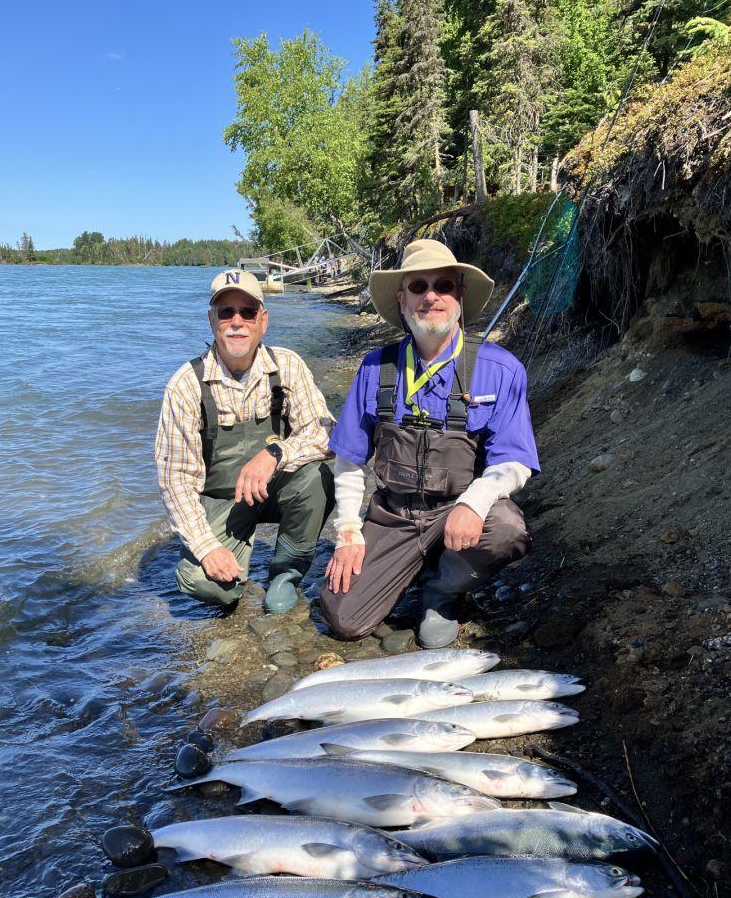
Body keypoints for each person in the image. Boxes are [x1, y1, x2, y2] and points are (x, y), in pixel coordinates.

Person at [321, 238, 538, 647]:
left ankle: (442, 589)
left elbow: (514, 462)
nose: (431, 296)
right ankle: (411, 566)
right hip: (394, 517)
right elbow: (349, 460)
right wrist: (348, 530)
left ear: (460, 296)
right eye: (418, 287)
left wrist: (473, 504)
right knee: (342, 617)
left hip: (459, 511)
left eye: (444, 285)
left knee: (507, 528)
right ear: (402, 300)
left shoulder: (502, 369)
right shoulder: (374, 367)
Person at [156, 269, 334, 614]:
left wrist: (274, 453)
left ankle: (285, 576)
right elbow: (174, 481)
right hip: (220, 501)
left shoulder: (289, 365)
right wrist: (207, 548)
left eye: (247, 312)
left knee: (319, 478)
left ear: (263, 321)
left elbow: (327, 433)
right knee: (204, 583)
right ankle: (232, 573)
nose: (237, 322)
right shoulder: (184, 386)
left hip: (275, 486)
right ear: (212, 321)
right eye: (226, 312)